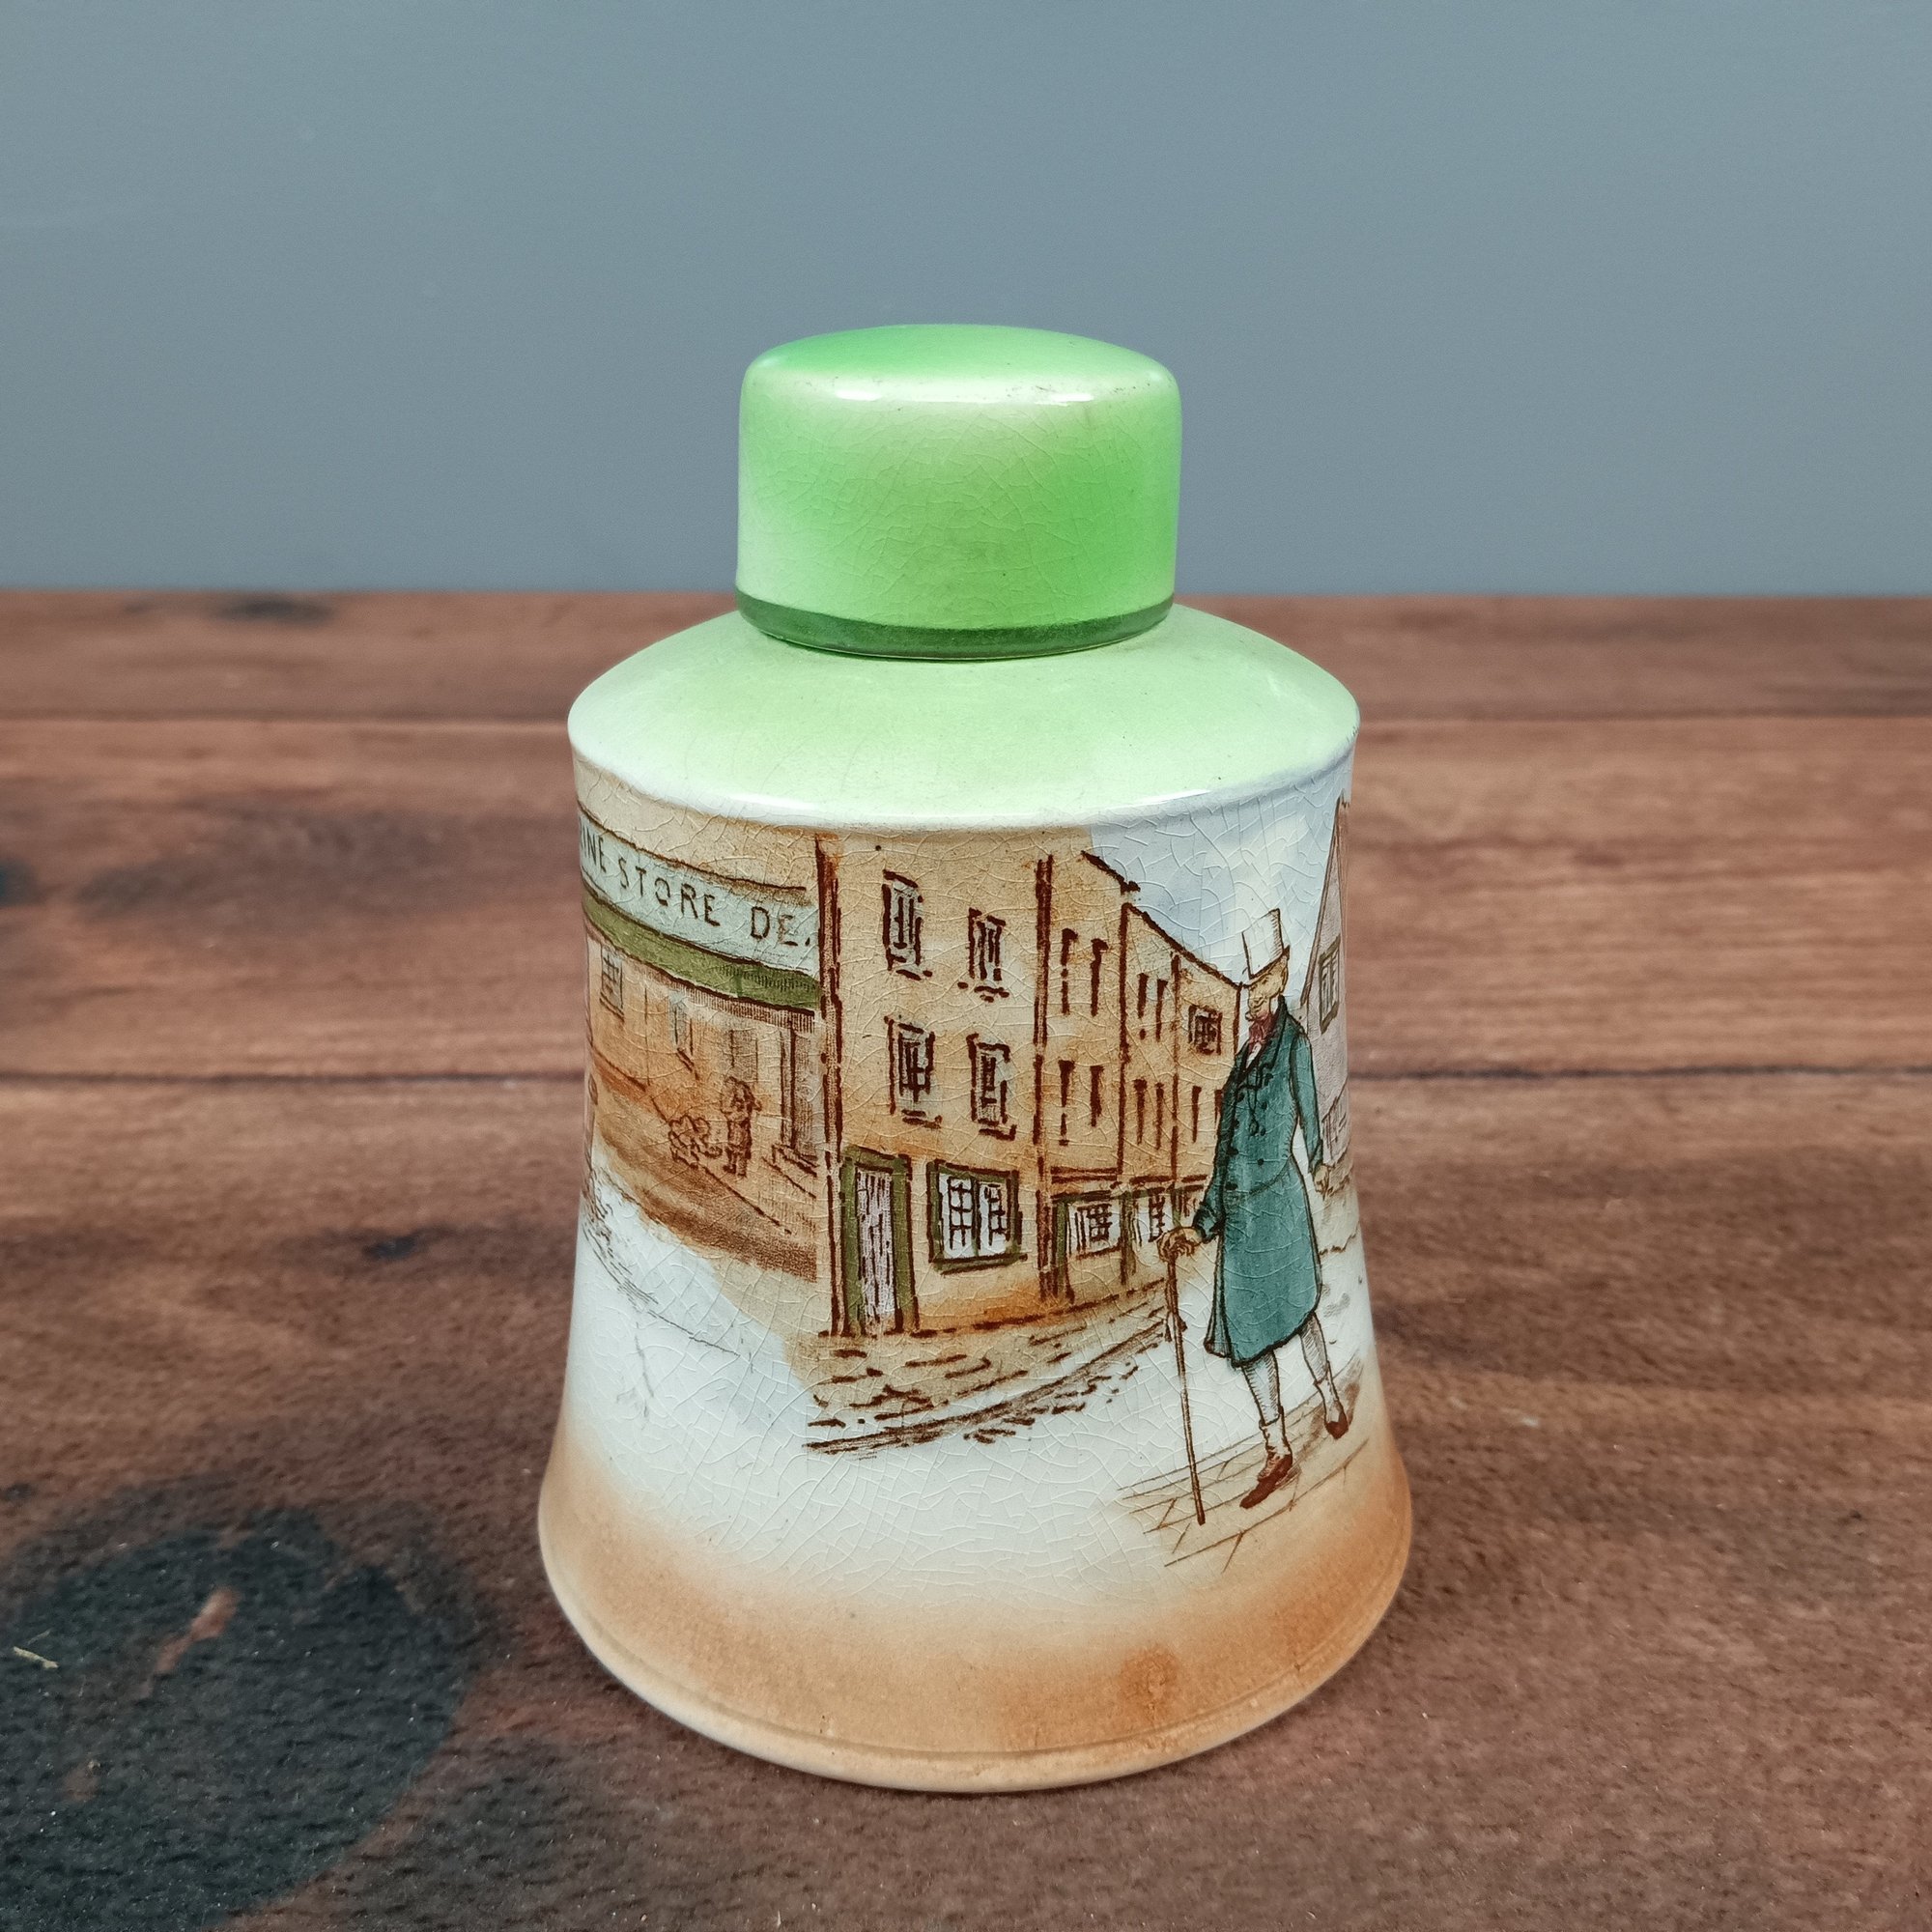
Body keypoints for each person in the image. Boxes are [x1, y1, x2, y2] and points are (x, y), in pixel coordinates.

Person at [1159, 909, 1350, 1509]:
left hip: (1279, 1204)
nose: (1255, 996)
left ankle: (1330, 1396)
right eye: (1251, 985)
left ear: (1282, 976)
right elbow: (1224, 1151)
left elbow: (1310, 1104)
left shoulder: (1293, 1043)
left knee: (1300, 1311)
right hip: (1240, 1223)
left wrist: (1320, 1159)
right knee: (1247, 1338)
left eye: (1264, 982)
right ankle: (1276, 1447)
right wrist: (1200, 1226)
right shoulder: (1241, 1062)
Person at [720, 1076, 758, 1179]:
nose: (737, 1091)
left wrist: (732, 1116)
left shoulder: (743, 1104)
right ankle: (732, 1166)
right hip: (735, 1128)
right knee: (733, 1147)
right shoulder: (738, 1102)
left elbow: (743, 1115)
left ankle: (741, 1171)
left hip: (741, 1128)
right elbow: (725, 1109)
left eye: (739, 1090)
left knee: (741, 1150)